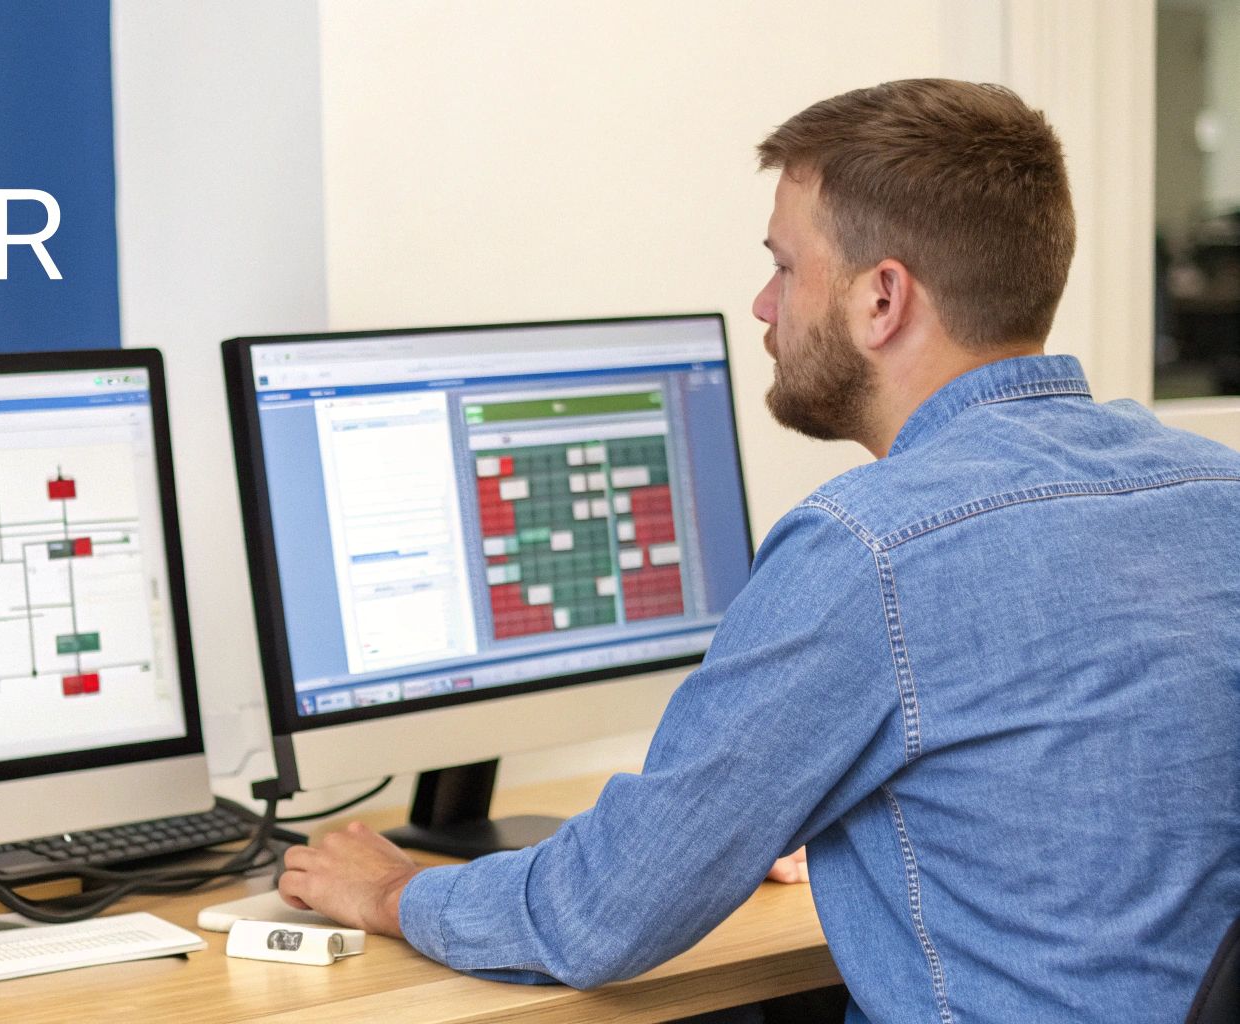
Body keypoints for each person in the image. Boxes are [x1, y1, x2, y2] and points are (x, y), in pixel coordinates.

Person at [277, 79, 1240, 1023]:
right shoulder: (1216, 487)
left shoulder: (871, 549)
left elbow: (603, 913)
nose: (763, 306)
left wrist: (393, 891)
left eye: (785, 267)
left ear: (882, 299)